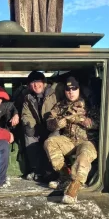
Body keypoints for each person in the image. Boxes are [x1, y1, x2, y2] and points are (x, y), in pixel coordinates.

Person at [44, 76, 100, 204]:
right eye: (68, 89)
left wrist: (81, 119)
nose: (71, 92)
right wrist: (61, 122)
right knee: (50, 142)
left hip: (88, 141)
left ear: (79, 89)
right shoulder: (60, 106)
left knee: (84, 154)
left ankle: (73, 188)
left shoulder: (89, 104)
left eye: (74, 88)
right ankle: (64, 177)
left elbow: (100, 123)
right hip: (69, 141)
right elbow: (50, 123)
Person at [21, 71, 62, 181]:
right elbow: (26, 113)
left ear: (44, 83)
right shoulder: (28, 97)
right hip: (39, 126)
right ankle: (37, 170)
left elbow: (61, 109)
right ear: (29, 85)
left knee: (53, 138)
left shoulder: (54, 93)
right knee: (29, 136)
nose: (36, 85)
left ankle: (54, 170)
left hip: (54, 127)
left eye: (38, 82)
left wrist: (54, 123)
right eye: (32, 83)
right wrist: (30, 125)